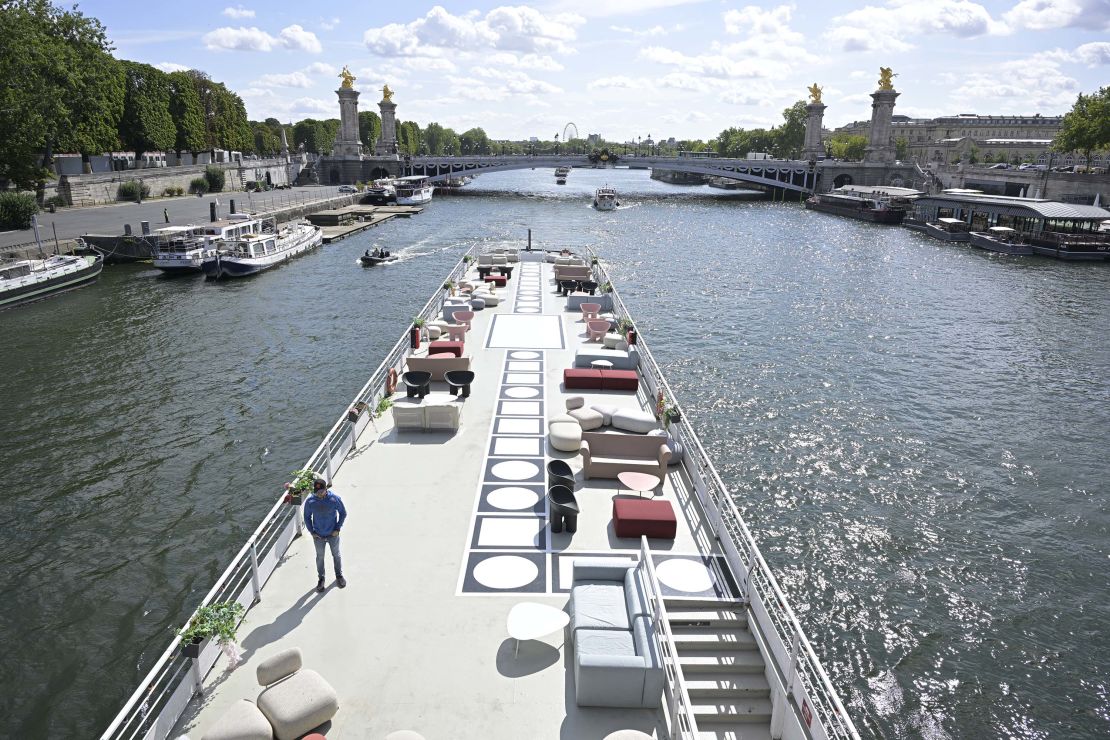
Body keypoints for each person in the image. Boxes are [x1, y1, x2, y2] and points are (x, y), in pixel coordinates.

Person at [304, 479, 347, 591]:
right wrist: (312, 532)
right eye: (317, 491)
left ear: (326, 489)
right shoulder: (310, 502)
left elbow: (343, 513)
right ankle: (321, 579)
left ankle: (339, 575)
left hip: (333, 534)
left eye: (321, 491)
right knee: (320, 557)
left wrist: (337, 528)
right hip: (318, 536)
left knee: (336, 555)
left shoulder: (334, 499)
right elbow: (307, 517)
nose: (319, 493)